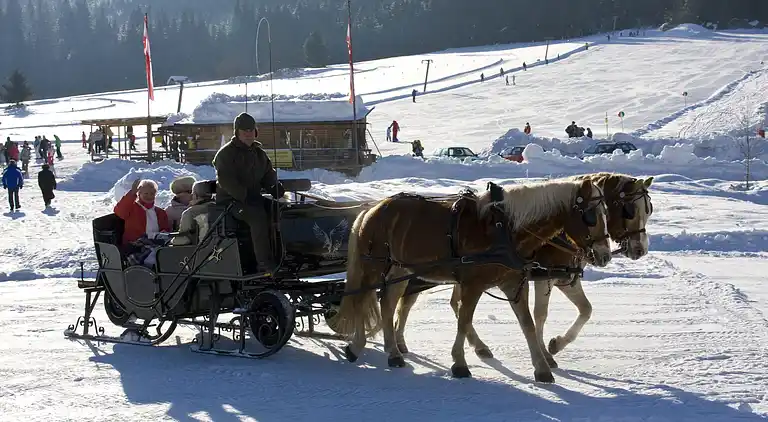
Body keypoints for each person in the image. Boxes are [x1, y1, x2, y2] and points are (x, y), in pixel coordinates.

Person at [213, 112, 284, 275]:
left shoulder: (259, 154)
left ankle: (284, 255)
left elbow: (268, 175)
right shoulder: (225, 154)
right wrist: (244, 195)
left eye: (251, 130)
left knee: (281, 210)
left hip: (253, 199)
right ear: (236, 132)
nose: (248, 134)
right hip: (231, 202)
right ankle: (264, 264)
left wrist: (274, 187)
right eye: (244, 130)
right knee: (257, 216)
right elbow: (226, 181)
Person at [114, 179, 171, 247]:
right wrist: (132, 193)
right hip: (135, 246)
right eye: (146, 193)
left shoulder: (160, 212)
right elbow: (119, 212)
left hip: (155, 245)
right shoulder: (132, 207)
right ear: (139, 194)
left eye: (152, 193)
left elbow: (165, 230)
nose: (149, 196)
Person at [172, 180, 216, 246]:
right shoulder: (222, 209)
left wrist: (171, 240)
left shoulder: (190, 212)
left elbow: (183, 240)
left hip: (199, 251)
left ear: (195, 195)